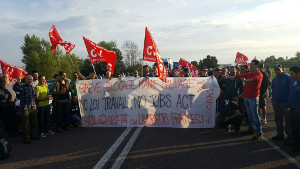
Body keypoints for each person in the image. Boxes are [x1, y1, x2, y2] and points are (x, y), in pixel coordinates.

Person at [228, 60, 263, 140]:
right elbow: (239, 76)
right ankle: (251, 129)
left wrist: (246, 80)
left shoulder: (259, 74)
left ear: (257, 66)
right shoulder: (249, 73)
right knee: (250, 115)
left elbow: (254, 79)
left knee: (255, 115)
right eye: (250, 64)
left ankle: (259, 132)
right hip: (247, 97)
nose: (250, 66)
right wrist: (228, 77)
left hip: (253, 97)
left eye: (253, 65)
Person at [271, 64, 293, 143]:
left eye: (278, 70)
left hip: (285, 102)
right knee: (278, 119)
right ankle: (280, 134)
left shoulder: (288, 78)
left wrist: (289, 102)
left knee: (288, 120)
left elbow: (291, 90)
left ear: (282, 69)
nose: (277, 71)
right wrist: (273, 99)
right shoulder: (274, 79)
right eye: (275, 70)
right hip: (276, 102)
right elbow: (273, 89)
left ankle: (290, 136)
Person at [218, 66, 244, 133]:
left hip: (234, 99)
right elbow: (218, 83)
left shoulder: (239, 80)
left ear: (236, 71)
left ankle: (236, 126)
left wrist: (237, 97)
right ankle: (227, 126)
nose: (232, 71)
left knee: (236, 113)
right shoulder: (226, 78)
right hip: (226, 98)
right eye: (231, 70)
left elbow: (242, 91)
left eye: (233, 70)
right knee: (225, 113)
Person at [15, 75, 39, 144]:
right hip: (25, 108)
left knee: (34, 122)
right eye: (28, 79)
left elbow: (34, 98)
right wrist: (17, 82)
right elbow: (15, 88)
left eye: (31, 79)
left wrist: (36, 107)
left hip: (33, 107)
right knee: (25, 124)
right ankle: (26, 138)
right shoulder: (22, 87)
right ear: (25, 80)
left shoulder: (32, 87)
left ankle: (33, 135)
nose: (30, 81)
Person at [287, 66, 300, 151]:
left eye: (292, 73)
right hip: (292, 109)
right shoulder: (292, 82)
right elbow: (290, 95)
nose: (291, 75)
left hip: (298, 110)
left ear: (298, 74)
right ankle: (296, 142)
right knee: (294, 127)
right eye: (290, 73)